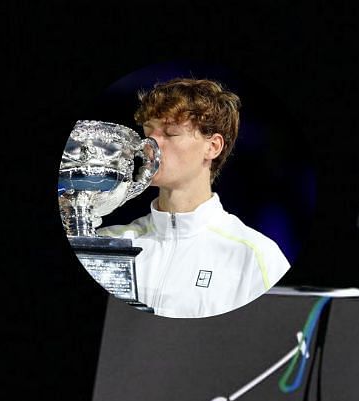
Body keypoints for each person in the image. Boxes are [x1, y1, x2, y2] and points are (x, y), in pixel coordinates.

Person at [98, 78, 290, 318]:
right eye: (148, 132)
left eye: (170, 133)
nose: (150, 145)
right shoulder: (109, 244)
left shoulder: (254, 257)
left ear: (213, 147)